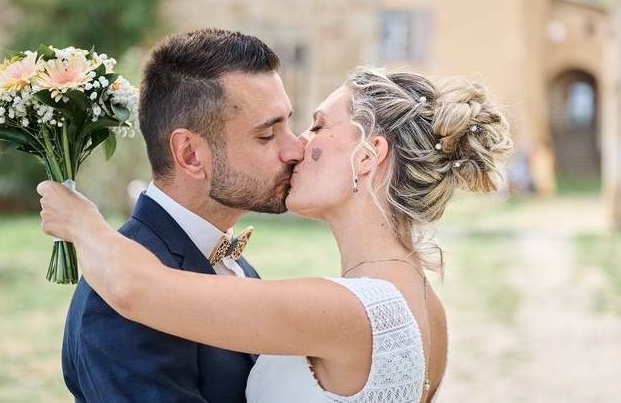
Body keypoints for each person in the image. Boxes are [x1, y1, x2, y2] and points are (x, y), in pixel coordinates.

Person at [40, 66, 513, 402]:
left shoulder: (349, 309)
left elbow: (136, 288)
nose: (297, 146)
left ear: (367, 158)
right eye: (273, 133)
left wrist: (79, 220)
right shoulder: (428, 306)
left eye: (319, 126)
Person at [58, 28, 304, 402]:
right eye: (268, 135)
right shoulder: (116, 300)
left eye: (289, 122)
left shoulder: (231, 258)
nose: (296, 149)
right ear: (190, 154)